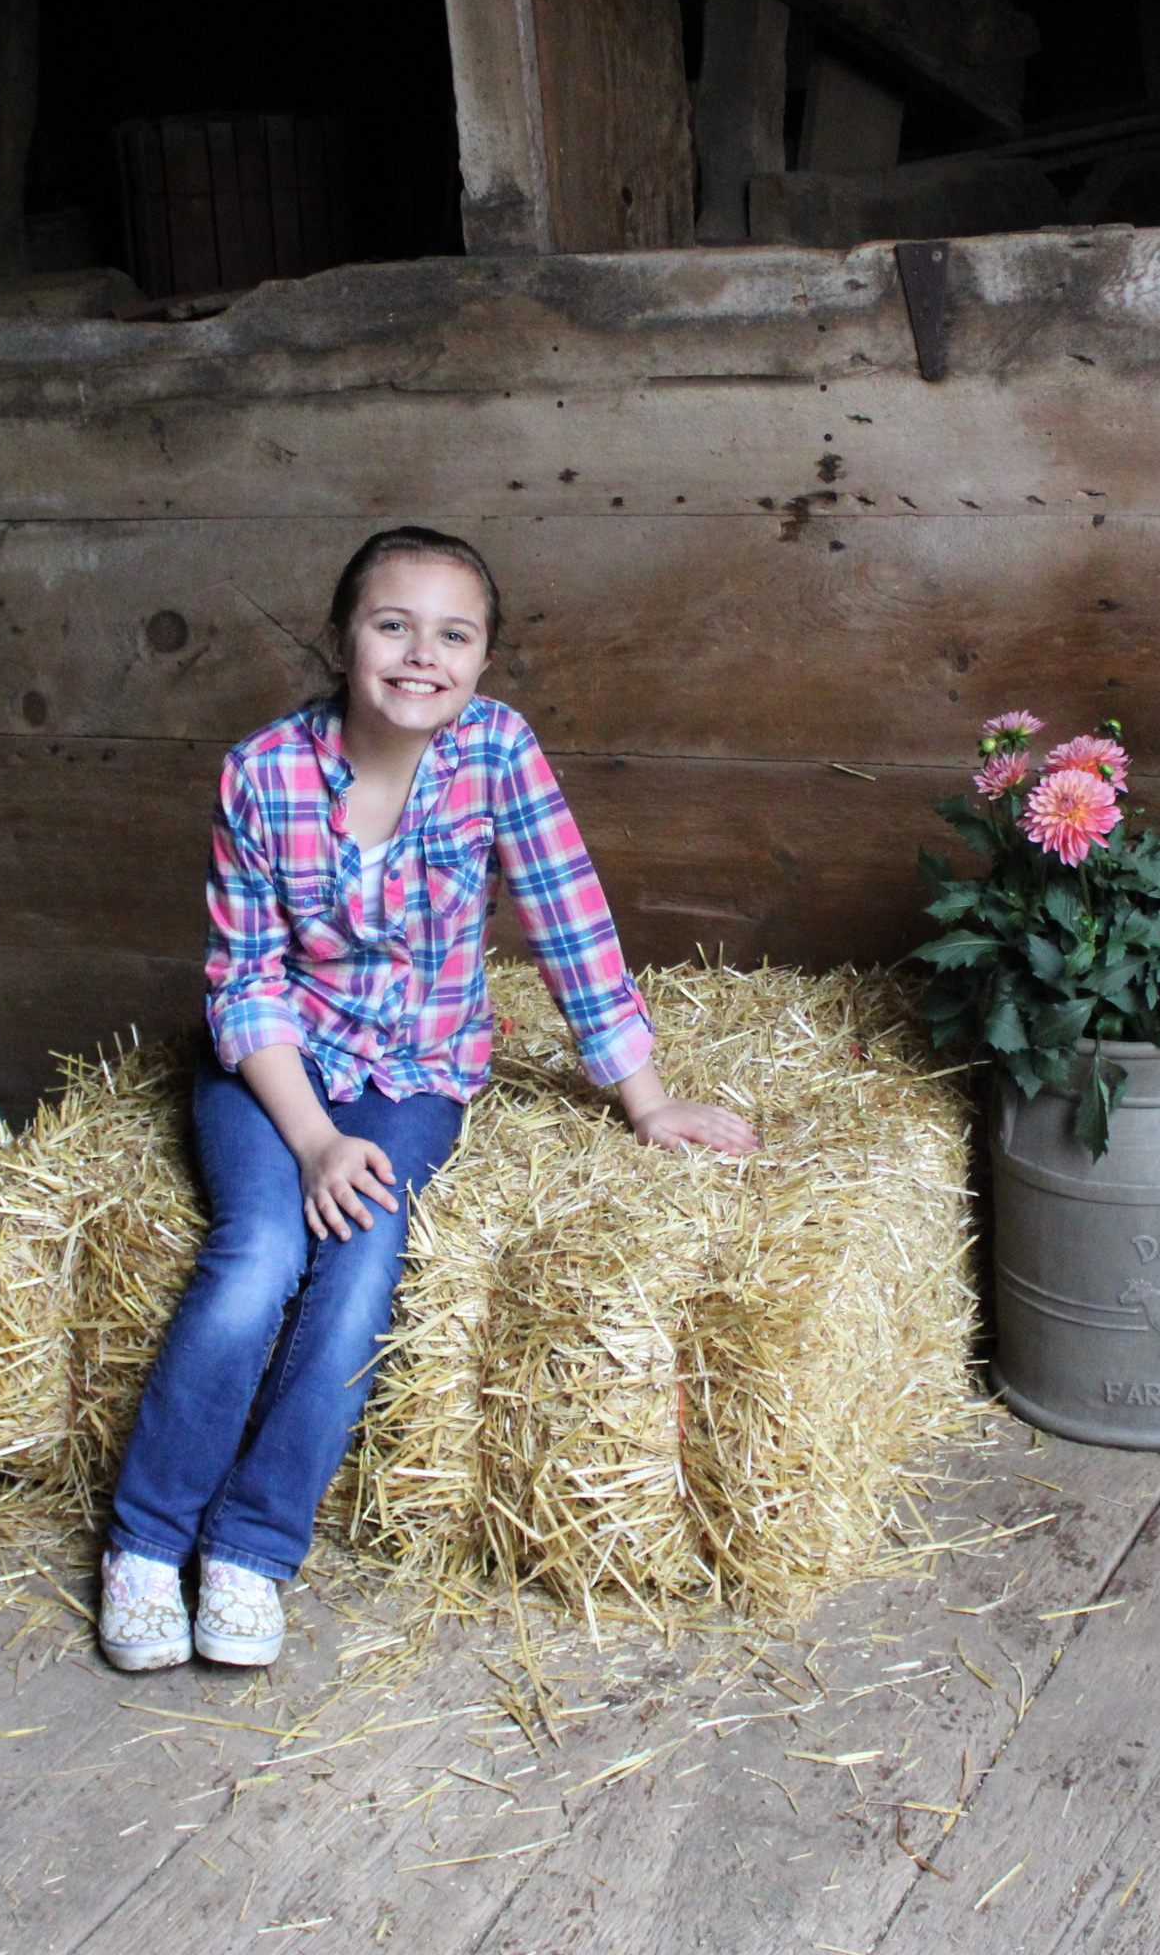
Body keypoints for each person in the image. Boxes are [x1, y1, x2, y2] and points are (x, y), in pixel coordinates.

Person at [98, 527, 757, 1671]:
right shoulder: (263, 772)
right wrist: (308, 1140)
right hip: (276, 1069)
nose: (421, 655)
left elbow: (568, 916)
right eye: (392, 624)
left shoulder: (499, 752)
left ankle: (253, 1546)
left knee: (360, 1262)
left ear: (485, 657)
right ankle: (147, 1543)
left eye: (454, 634)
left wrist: (645, 1100)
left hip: (417, 1070)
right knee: (258, 1254)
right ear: (343, 636)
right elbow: (246, 981)